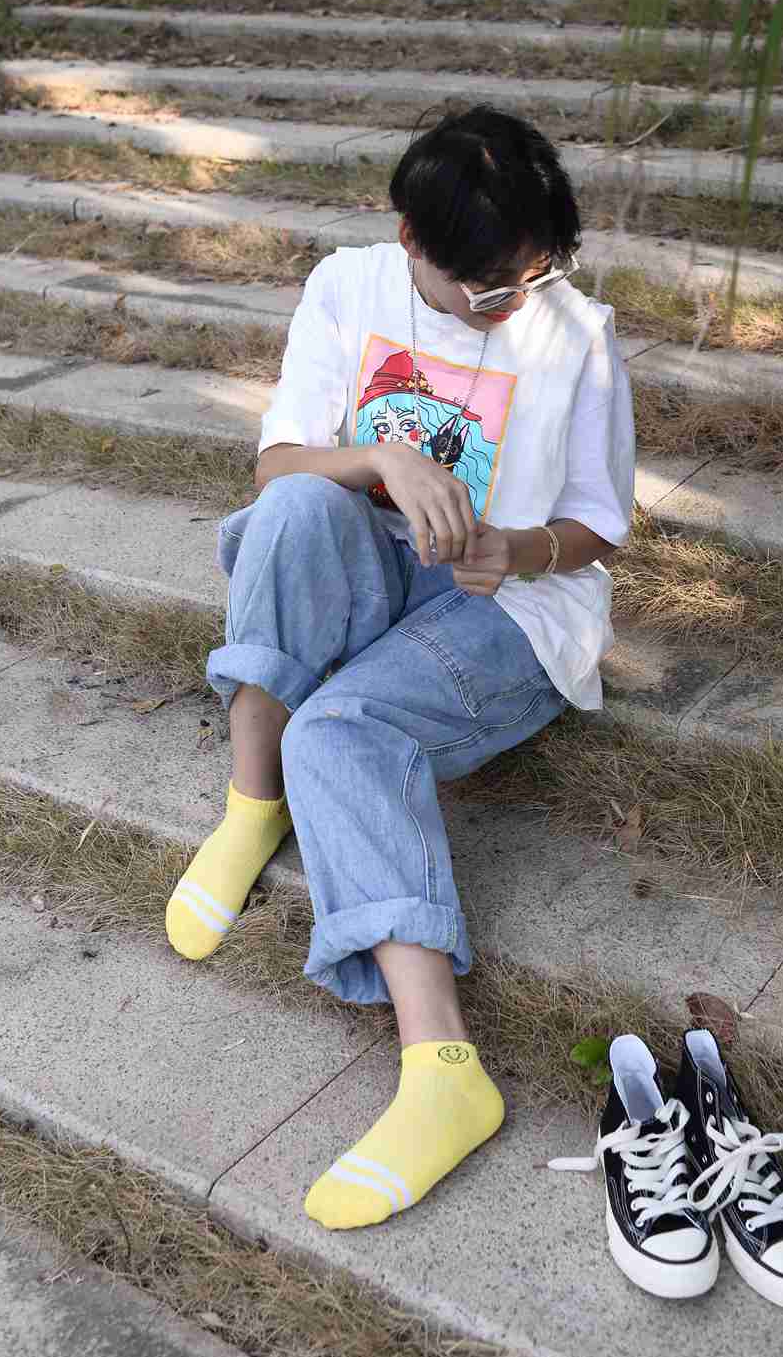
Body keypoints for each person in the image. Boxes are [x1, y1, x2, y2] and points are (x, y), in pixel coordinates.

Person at [165, 105, 636, 1231]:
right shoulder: (350, 286)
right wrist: (380, 456)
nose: (511, 303)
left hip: (509, 607)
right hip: (371, 565)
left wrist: (520, 548)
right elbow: (280, 460)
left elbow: (598, 528)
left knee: (343, 730)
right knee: (289, 510)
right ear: (411, 239)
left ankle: (444, 1075)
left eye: (530, 277)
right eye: (486, 290)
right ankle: (253, 803)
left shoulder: (576, 332)